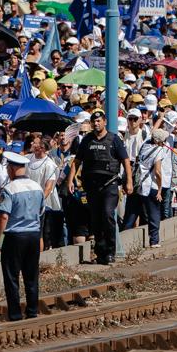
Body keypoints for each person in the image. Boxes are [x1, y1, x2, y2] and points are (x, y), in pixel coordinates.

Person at [68, 110, 130, 265]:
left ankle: (110, 251)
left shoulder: (114, 139)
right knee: (95, 219)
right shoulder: (87, 140)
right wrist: (70, 180)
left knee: (108, 215)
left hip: (110, 184)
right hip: (92, 186)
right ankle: (100, 252)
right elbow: (76, 161)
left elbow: (125, 161)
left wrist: (129, 181)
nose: (96, 124)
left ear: (104, 122)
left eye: (99, 121)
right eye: (93, 122)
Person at [0, 151, 45, 320]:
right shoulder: (37, 187)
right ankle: (32, 311)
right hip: (33, 235)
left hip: (15, 236)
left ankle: (15, 314)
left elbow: (3, 216)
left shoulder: (10, 189)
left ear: (11, 168)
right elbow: (41, 212)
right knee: (31, 276)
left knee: (12, 277)